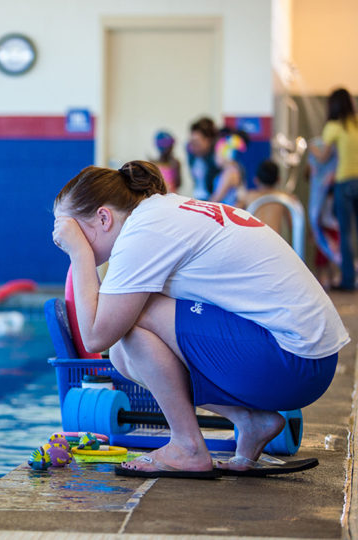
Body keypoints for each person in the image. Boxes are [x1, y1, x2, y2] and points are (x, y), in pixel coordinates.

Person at [52, 161, 348, 477]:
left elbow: (96, 336)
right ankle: (249, 420)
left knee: (131, 320)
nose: (62, 238)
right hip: (307, 357)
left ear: (103, 217)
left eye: (69, 229)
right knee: (125, 355)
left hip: (294, 362)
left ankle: (188, 446)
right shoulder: (162, 213)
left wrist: (80, 254)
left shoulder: (143, 231)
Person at [311, 88, 358, 290]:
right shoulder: (356, 124)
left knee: (345, 233)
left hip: (345, 182)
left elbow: (323, 157)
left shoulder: (333, 126)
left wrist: (310, 146)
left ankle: (348, 281)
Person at [241, 160, 289, 233]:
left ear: (256, 180)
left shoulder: (248, 197)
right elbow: (295, 226)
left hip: (253, 241)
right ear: (279, 180)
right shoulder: (284, 198)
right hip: (274, 242)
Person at [208, 131, 246, 207]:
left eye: (216, 153)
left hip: (226, 213)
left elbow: (216, 198)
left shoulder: (229, 172)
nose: (214, 158)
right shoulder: (234, 169)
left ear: (226, 154)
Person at [186, 117, 220, 200]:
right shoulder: (191, 152)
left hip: (213, 200)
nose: (193, 147)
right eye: (191, 142)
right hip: (197, 198)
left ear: (209, 141)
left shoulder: (217, 158)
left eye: (197, 143)